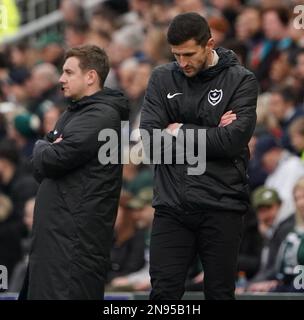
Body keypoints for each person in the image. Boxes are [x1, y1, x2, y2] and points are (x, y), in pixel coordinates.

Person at [140, 12, 259, 300]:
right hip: (171, 207)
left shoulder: (241, 81)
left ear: (209, 45)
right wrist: (210, 133)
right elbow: (151, 142)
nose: (182, 63)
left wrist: (178, 129)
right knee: (163, 294)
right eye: (176, 55)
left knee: (219, 293)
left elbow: (231, 142)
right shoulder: (162, 78)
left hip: (222, 204)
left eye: (189, 54)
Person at [21, 45, 129, 299]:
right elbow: (40, 167)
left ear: (90, 76)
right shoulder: (75, 113)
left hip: (73, 244)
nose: (61, 79)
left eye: (69, 72)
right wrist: (46, 148)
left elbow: (53, 158)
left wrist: (41, 145)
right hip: (58, 240)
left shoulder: (101, 115)